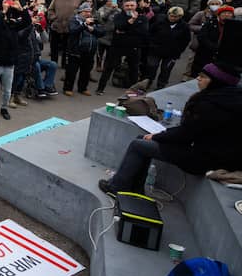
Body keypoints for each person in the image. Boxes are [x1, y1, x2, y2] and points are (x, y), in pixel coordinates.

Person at [98, 61, 242, 195]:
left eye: (203, 77)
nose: (198, 79)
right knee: (142, 141)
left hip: (204, 158)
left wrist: (157, 136)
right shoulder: (229, 98)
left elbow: (185, 134)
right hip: (216, 154)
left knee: (138, 145)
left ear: (216, 82)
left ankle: (117, 187)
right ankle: (135, 188)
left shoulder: (210, 104)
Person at [0, 0, 28, 125]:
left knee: (8, 90)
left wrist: (21, 9)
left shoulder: (13, 27)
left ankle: (4, 108)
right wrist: (3, 12)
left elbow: (27, 22)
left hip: (10, 64)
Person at [96, 0, 148, 95]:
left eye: (132, 5)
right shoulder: (118, 16)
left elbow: (143, 32)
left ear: (136, 6)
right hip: (117, 46)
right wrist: (131, 21)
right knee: (108, 68)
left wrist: (125, 30)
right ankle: (100, 88)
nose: (129, 8)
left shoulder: (142, 18)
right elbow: (119, 26)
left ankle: (133, 92)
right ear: (123, 7)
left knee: (134, 70)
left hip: (134, 47)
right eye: (127, 6)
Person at [144, 6, 191, 90]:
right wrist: (151, 45)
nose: (172, 18)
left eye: (175, 17)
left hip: (171, 53)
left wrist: (178, 51)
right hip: (155, 50)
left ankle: (161, 85)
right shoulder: (160, 22)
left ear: (180, 17)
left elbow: (185, 40)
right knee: (152, 67)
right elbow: (150, 33)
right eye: (171, 15)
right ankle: (147, 82)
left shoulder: (184, 27)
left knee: (166, 69)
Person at [64, 2, 103, 96]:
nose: (88, 14)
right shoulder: (74, 20)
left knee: (86, 71)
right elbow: (73, 31)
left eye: (89, 11)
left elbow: (102, 32)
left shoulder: (93, 21)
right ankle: (68, 88)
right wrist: (84, 24)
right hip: (76, 50)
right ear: (80, 12)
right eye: (85, 11)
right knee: (72, 71)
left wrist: (93, 29)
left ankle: (82, 88)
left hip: (90, 50)